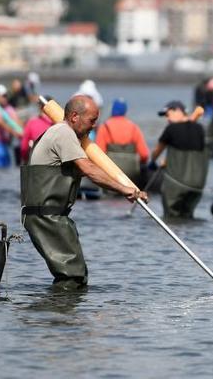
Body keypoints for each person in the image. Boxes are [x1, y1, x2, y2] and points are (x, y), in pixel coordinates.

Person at [20, 95, 146, 289]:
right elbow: (89, 169)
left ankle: (65, 316)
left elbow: (84, 172)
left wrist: (131, 190)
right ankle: (57, 317)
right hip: (46, 217)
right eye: (92, 120)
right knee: (72, 276)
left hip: (53, 216)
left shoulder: (65, 134)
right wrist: (124, 189)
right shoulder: (63, 133)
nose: (94, 125)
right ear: (74, 117)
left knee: (75, 275)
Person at [149, 100, 209, 218]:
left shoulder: (171, 130)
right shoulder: (199, 129)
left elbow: (157, 151)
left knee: (171, 217)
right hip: (196, 185)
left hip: (176, 183)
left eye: (168, 114)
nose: (167, 119)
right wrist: (168, 161)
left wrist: (153, 162)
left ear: (177, 110)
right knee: (187, 217)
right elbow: (195, 153)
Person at [95, 98, 150, 186]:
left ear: (112, 110)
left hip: (111, 172)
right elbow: (144, 155)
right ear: (125, 111)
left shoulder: (104, 127)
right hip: (132, 172)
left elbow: (99, 154)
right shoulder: (134, 127)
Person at [19, 95, 55, 164]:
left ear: (39, 107)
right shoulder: (58, 123)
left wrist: (25, 160)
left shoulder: (31, 123)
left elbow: (24, 147)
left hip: (35, 162)